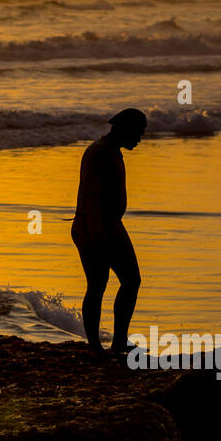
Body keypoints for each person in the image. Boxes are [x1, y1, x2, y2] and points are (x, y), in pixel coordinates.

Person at [72, 107, 147, 357]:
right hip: (95, 227)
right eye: (138, 132)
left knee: (126, 281)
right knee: (99, 284)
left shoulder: (111, 150)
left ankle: (117, 342)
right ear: (124, 129)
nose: (140, 137)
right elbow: (91, 196)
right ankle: (96, 345)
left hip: (109, 226)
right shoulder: (100, 153)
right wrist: (96, 233)